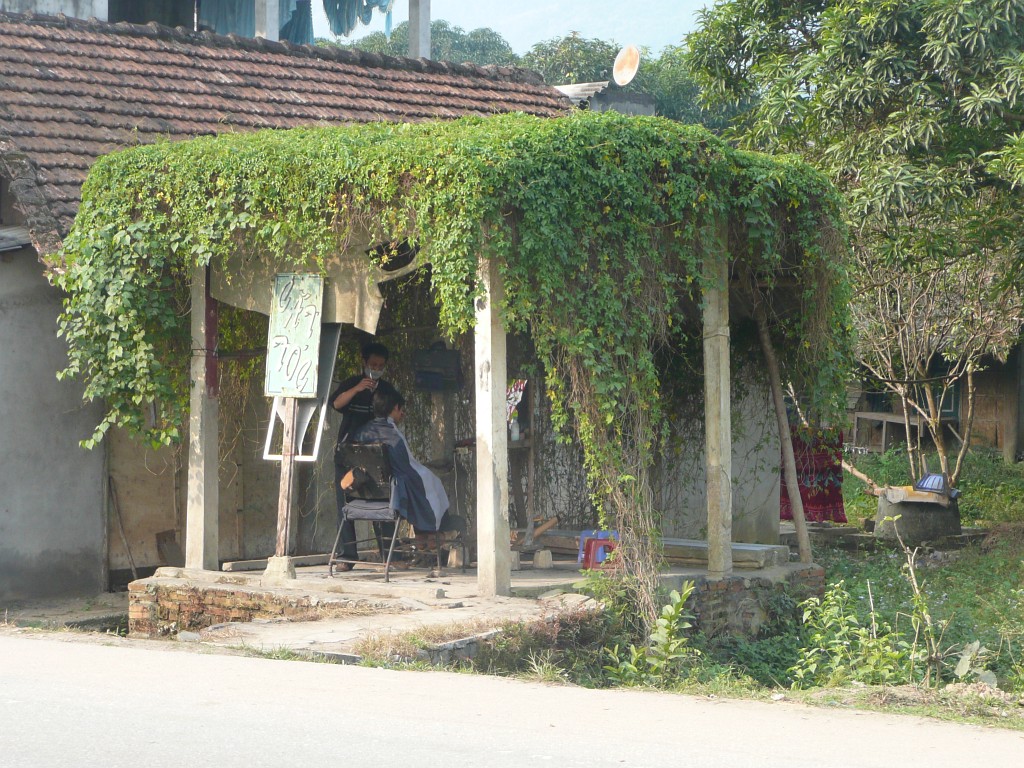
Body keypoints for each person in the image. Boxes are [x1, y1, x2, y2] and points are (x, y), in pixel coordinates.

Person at [350, 388, 449, 536]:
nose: (402, 414)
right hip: (392, 495)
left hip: (365, 494)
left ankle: (425, 539)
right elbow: (406, 468)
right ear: (396, 407)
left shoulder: (361, 432)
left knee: (427, 481)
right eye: (401, 409)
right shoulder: (393, 435)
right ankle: (433, 536)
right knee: (431, 484)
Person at [330, 342, 395, 567]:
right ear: (364, 363)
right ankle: (347, 555)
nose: (376, 368)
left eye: (380, 365)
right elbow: (336, 404)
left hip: (377, 455)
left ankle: (389, 554)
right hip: (348, 454)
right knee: (344, 502)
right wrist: (357, 389)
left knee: (383, 500)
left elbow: (397, 413)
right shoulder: (351, 384)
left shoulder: (387, 389)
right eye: (373, 364)